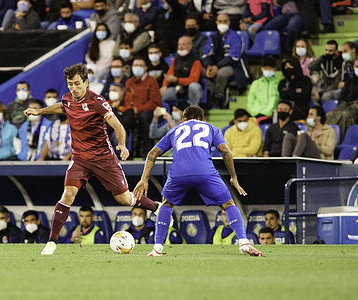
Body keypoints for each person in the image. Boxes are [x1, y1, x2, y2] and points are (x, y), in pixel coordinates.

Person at [23, 63, 160, 255]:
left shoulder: (97, 101)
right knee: (68, 195)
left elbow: (118, 126)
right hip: (79, 158)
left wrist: (121, 144)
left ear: (86, 82)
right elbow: (63, 107)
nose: (73, 87)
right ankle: (52, 242)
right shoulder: (68, 99)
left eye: (77, 83)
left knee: (124, 198)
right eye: (70, 84)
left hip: (103, 158)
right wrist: (40, 111)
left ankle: (156, 207)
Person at [133, 105, 263, 257]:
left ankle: (157, 248)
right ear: (203, 119)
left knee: (166, 204)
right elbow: (225, 151)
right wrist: (233, 177)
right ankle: (244, 242)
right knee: (228, 204)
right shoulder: (211, 128)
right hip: (205, 172)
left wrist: (144, 179)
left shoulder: (176, 129)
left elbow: (153, 152)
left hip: (178, 173)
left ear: (184, 119)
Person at [202, 14, 249, 109]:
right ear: (216, 22)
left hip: (233, 66)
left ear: (229, 22)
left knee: (221, 74)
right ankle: (214, 93)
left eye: (224, 21)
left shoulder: (235, 37)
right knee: (200, 72)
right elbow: (206, 54)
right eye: (220, 21)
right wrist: (209, 67)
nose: (222, 23)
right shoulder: (212, 37)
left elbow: (234, 57)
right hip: (214, 65)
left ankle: (217, 98)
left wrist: (217, 67)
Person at [122, 57, 161, 156]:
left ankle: (147, 150)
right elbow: (126, 100)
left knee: (144, 117)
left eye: (140, 65)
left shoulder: (152, 82)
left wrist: (138, 109)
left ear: (145, 68)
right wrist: (130, 110)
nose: (137, 67)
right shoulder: (129, 82)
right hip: (132, 112)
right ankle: (125, 151)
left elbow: (154, 102)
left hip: (148, 112)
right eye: (135, 65)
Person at [161, 36, 203, 106]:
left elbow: (194, 80)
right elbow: (169, 74)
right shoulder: (175, 59)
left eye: (183, 44)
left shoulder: (196, 61)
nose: (180, 47)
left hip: (191, 89)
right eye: (179, 44)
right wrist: (164, 85)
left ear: (190, 46)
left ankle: (193, 110)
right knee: (160, 94)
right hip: (177, 88)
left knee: (194, 86)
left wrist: (177, 80)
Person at [326, 58, 358, 140]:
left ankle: (343, 139)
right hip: (347, 104)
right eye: (356, 66)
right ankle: (328, 139)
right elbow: (342, 96)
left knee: (345, 115)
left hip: (355, 106)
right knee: (329, 115)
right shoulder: (350, 81)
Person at [247, 56, 280, 123]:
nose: (267, 70)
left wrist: (267, 113)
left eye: (270, 68)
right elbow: (250, 101)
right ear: (261, 69)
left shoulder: (279, 83)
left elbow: (277, 101)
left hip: (271, 116)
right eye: (265, 68)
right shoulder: (255, 83)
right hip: (255, 115)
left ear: (274, 69)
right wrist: (255, 113)